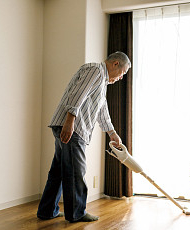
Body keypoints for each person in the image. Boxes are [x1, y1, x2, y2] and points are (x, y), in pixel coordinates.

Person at [37, 51, 131, 222]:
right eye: (123, 73)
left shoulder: (102, 82)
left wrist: (112, 133)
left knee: (58, 171)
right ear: (115, 64)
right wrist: (70, 121)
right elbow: (78, 93)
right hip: (73, 128)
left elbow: (102, 110)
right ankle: (76, 213)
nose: (121, 78)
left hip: (69, 126)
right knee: (76, 172)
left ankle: (47, 210)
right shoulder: (95, 70)